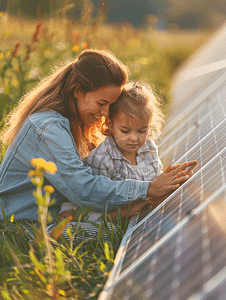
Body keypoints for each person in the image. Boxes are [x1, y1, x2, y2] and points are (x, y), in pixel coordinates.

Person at [0, 49, 194, 227]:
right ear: (77, 90)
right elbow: (82, 189)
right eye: (102, 102)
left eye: (111, 104)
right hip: (19, 225)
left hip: (51, 218)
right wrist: (148, 189)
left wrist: (161, 182)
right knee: (101, 232)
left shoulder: (71, 122)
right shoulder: (49, 128)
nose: (106, 113)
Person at [59, 81, 165, 222]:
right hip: (106, 218)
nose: (134, 138)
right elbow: (94, 202)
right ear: (110, 125)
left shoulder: (149, 148)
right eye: (125, 131)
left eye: (142, 130)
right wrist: (130, 210)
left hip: (146, 215)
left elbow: (156, 179)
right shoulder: (103, 159)